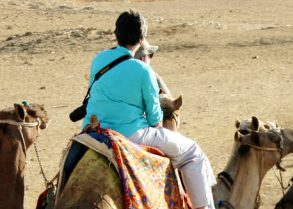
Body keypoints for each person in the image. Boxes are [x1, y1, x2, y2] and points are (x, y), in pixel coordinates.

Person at [81, 10, 216, 209]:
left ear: (116, 34)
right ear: (142, 39)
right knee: (192, 153)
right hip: (131, 134)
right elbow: (155, 119)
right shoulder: (144, 71)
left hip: (91, 131)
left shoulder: (99, 59)